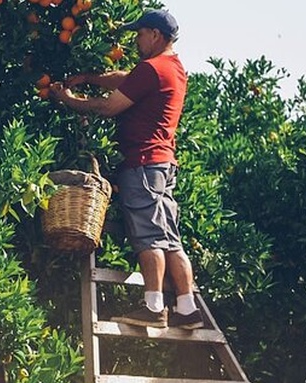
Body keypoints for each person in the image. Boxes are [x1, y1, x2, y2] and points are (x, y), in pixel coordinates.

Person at [49, 9, 203, 330]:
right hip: (162, 165)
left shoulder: (152, 68)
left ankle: (154, 306)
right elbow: (125, 79)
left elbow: (109, 107)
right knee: (169, 238)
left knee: (149, 238)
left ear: (155, 35)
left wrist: (69, 99)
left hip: (143, 165)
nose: (135, 40)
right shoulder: (172, 67)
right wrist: (89, 77)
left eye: (139, 34)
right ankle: (188, 309)